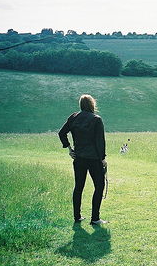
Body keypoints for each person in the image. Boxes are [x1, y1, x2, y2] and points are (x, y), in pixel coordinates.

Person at [58, 94, 108, 225]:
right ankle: (95, 218)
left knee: (79, 187)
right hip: (94, 159)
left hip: (79, 158)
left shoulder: (74, 117)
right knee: (99, 186)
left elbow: (61, 133)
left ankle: (77, 217)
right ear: (92, 104)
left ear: (81, 105)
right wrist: (103, 158)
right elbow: (100, 142)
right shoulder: (96, 119)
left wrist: (69, 149)